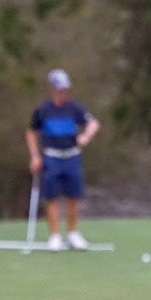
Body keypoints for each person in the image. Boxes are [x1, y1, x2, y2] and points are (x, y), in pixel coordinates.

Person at [25, 68, 101, 251]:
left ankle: (73, 234)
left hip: (72, 156)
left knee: (73, 196)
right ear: (52, 88)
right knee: (51, 197)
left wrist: (86, 137)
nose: (63, 92)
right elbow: (31, 132)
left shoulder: (75, 108)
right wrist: (35, 156)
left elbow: (93, 123)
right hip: (51, 157)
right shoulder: (42, 110)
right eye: (60, 89)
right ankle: (55, 236)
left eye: (65, 89)